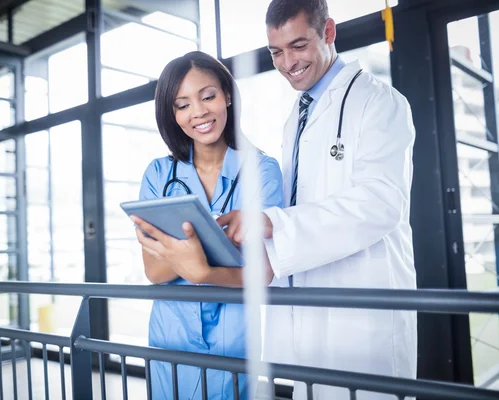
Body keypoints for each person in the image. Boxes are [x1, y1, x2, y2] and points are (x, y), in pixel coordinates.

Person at [216, 1, 417, 399]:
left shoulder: (379, 102)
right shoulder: (298, 116)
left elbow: (380, 203)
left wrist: (276, 223)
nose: (287, 62)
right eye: (276, 52)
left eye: (298, 45)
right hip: (310, 301)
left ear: (328, 33)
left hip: (363, 304)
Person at [130, 50, 284, 400]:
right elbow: (153, 270)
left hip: (234, 336)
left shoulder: (262, 170)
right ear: (172, 114)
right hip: (171, 333)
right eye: (182, 105)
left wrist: (197, 267)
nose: (197, 112)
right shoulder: (159, 174)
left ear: (227, 95)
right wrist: (214, 255)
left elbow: (263, 272)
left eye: (208, 96)